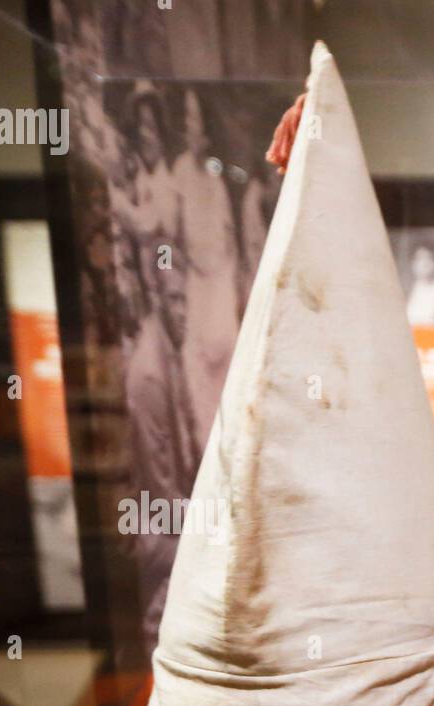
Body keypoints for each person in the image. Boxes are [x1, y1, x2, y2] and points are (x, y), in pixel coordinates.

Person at [126, 247, 197, 648]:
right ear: (158, 300)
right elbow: (161, 494)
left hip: (167, 509)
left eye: (185, 298)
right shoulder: (151, 374)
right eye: (173, 299)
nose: (183, 309)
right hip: (153, 523)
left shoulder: (169, 348)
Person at [172, 89, 242, 454]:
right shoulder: (180, 172)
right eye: (186, 120)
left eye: (195, 121)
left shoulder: (217, 181)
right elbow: (173, 236)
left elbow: (228, 240)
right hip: (196, 294)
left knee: (227, 385)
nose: (190, 129)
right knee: (197, 383)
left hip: (220, 292)